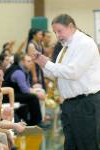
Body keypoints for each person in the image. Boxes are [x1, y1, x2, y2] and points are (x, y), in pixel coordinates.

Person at [31, 14, 100, 150]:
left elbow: (73, 72)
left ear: (70, 27)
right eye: (55, 32)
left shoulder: (85, 43)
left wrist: (48, 64)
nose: (58, 35)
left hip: (85, 104)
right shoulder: (66, 47)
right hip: (70, 104)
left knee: (87, 145)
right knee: (71, 145)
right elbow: (56, 73)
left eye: (59, 31)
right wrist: (42, 63)